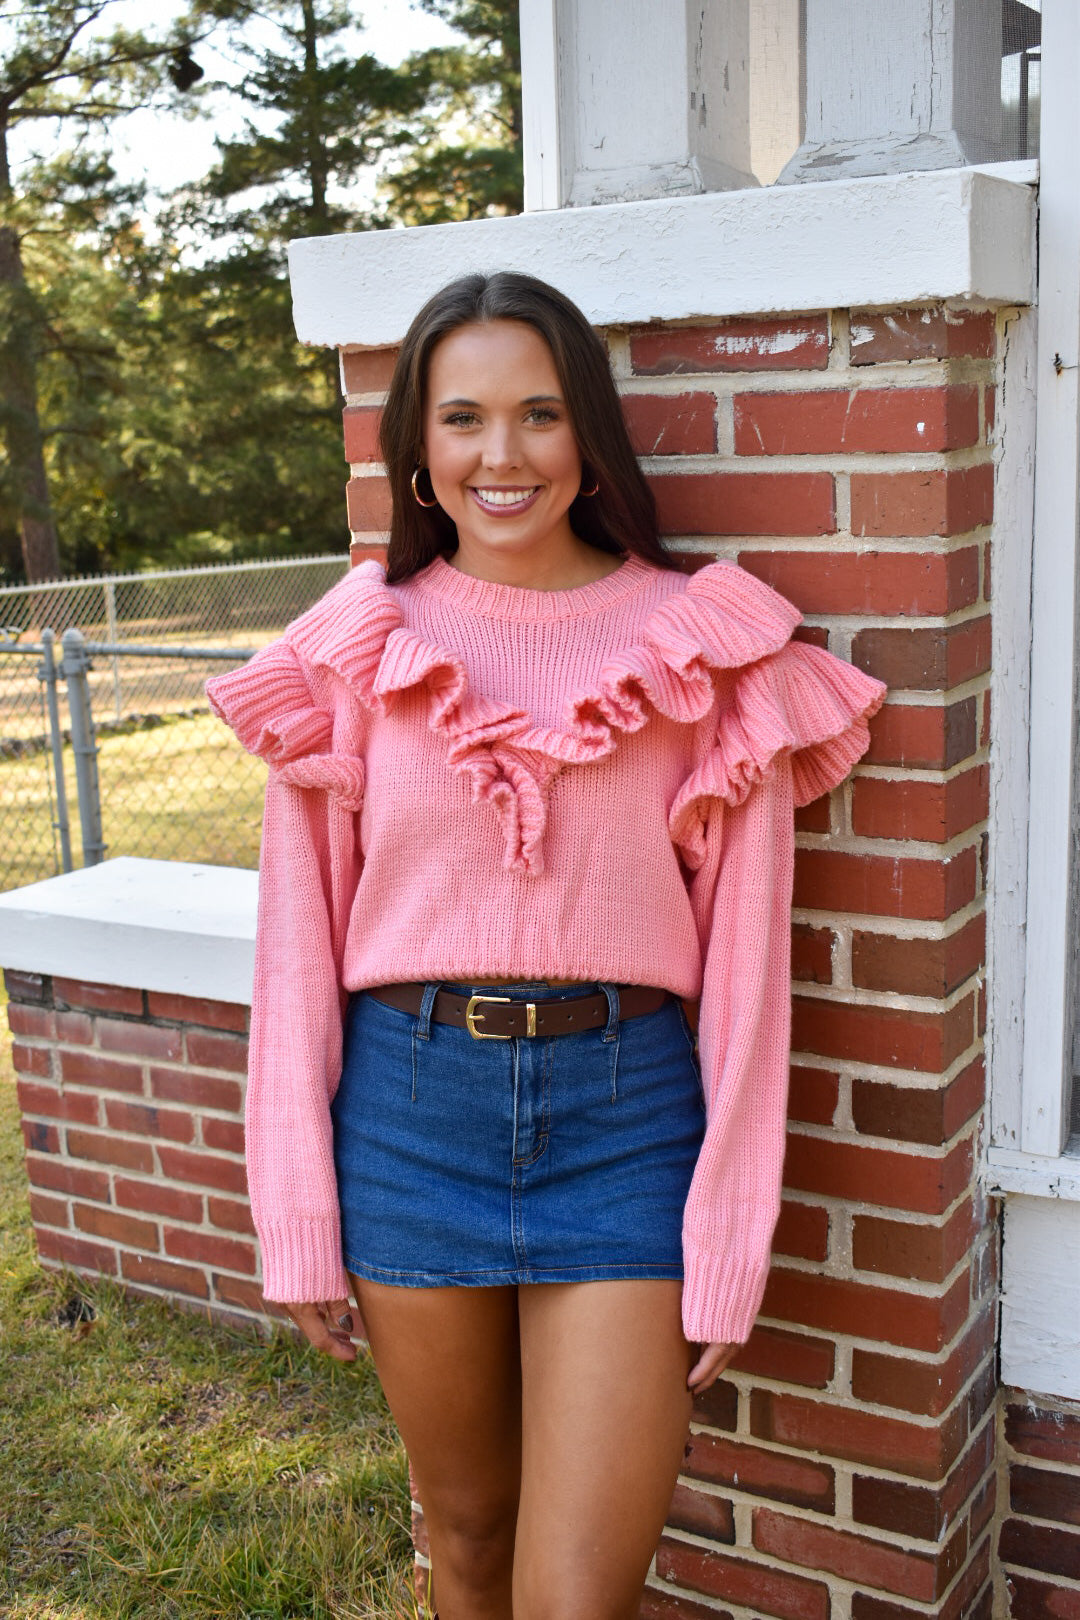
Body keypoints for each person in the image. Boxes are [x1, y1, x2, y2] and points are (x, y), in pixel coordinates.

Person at [205, 270, 887, 1620]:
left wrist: (730, 1227)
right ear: (418, 448)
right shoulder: (354, 647)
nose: (500, 455)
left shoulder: (701, 644)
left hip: (626, 1122)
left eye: (538, 415)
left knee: (576, 1595)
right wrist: (295, 1211)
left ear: (589, 440)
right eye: (463, 419)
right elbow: (294, 954)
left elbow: (751, 973)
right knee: (465, 1537)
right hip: (407, 1117)